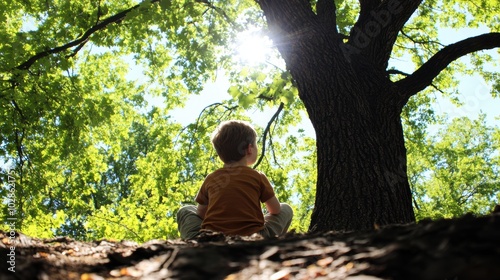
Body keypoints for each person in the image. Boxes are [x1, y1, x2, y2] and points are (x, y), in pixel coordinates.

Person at [177, 120, 293, 239]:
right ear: (249, 149)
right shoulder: (257, 176)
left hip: (212, 238)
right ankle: (271, 243)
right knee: (285, 208)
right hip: (254, 237)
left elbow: (201, 213)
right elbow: (275, 209)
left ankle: (195, 243)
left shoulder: (211, 178)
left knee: (186, 210)